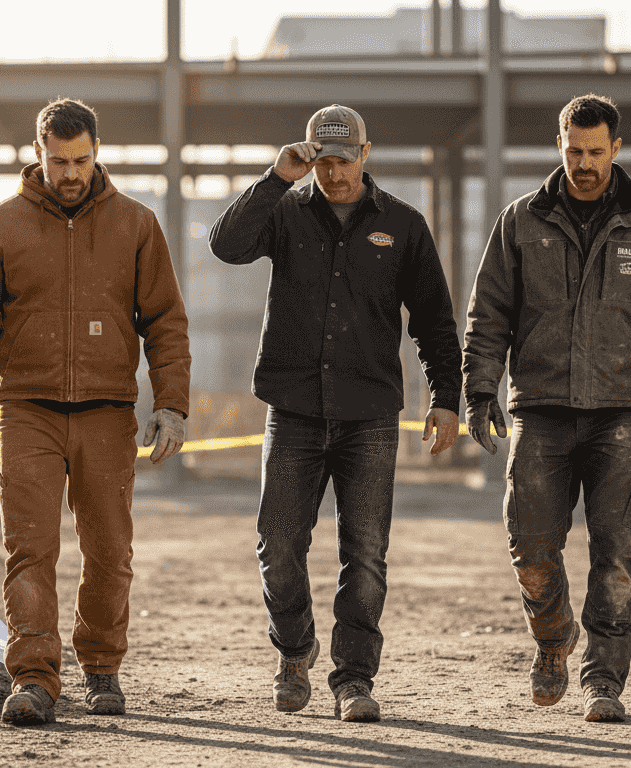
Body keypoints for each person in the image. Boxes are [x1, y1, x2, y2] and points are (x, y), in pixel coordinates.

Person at [0, 98, 191, 726]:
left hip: (108, 412)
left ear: (97, 153)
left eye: (80, 161)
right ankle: (32, 679)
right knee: (30, 549)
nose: (70, 173)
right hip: (27, 410)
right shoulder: (0, 227)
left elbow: (166, 324)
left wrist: (173, 405)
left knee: (109, 548)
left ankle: (101, 669)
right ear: (38, 154)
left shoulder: (137, 225)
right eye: (58, 162)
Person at [462, 94, 631, 722]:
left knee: (617, 552)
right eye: (574, 151)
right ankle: (554, 640)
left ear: (616, 150)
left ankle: (604, 681)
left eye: (596, 152)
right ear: (560, 145)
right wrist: (479, 387)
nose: (584, 164)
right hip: (540, 410)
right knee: (531, 545)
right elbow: (488, 313)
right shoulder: (520, 222)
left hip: (623, 413)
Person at [210, 104, 463, 723]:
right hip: (293, 409)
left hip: (369, 413)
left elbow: (433, 319)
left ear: (366, 154)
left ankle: (353, 680)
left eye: (344, 160)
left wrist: (447, 397)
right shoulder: (285, 211)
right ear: (309, 157)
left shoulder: (402, 225)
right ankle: (295, 652)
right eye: (322, 162)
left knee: (366, 552)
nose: (333, 173)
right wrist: (276, 178)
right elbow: (226, 245)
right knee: (278, 543)